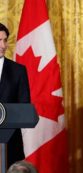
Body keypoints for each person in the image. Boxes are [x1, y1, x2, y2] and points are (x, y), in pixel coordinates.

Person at [0, 23, 30, 167]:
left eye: (5, 40)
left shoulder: (18, 71)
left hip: (10, 145)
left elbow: (24, 108)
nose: (3, 45)